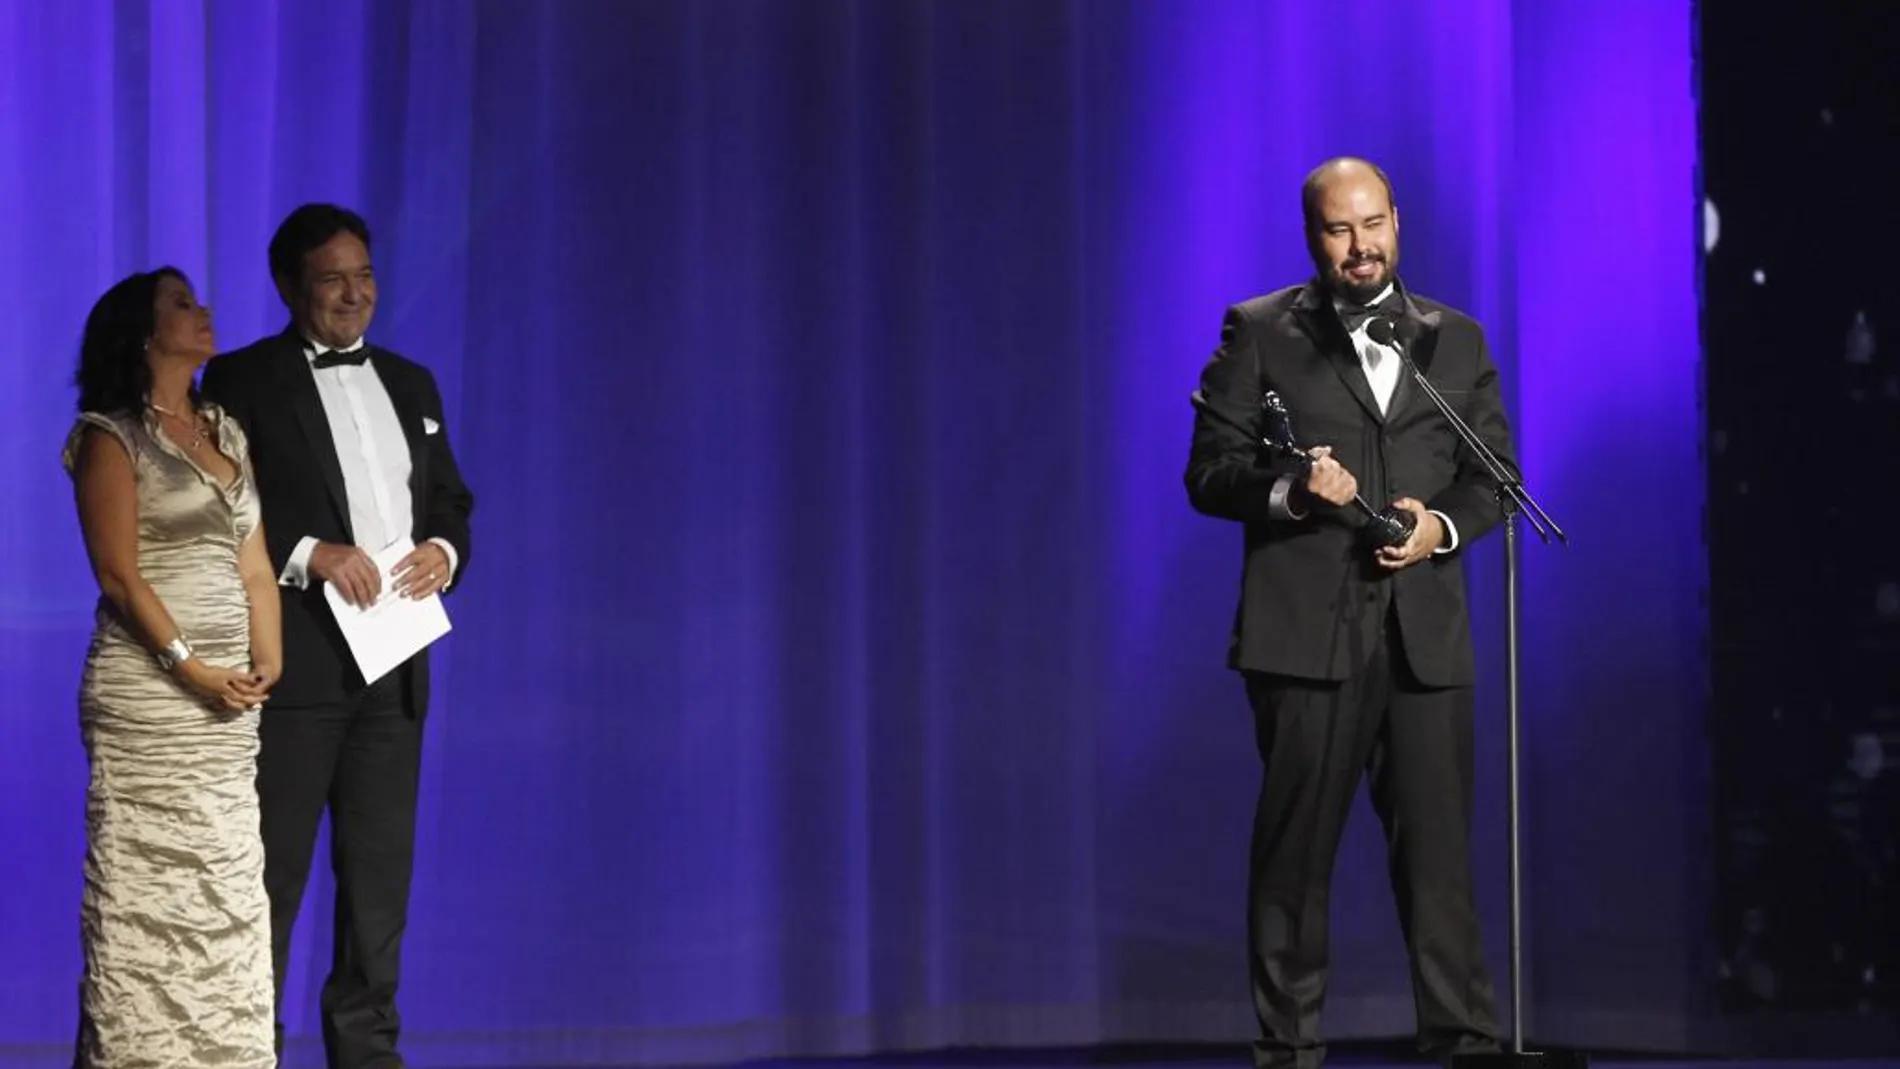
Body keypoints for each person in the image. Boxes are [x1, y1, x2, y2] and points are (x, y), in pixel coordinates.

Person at [1184, 157, 1514, 1068]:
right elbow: (1208, 474)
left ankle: (1467, 1040)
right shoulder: (1259, 332)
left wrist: (1437, 525)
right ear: (1313, 237)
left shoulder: (1456, 341)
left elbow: (1495, 482)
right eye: (1340, 229)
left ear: (1398, 224)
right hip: (1306, 636)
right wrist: (1292, 486)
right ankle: (1288, 1050)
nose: (1360, 245)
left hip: (1423, 638)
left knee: (1440, 860)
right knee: (1295, 858)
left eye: (1373, 225)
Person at [201, 203, 474, 1069]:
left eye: (364, 276)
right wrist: (312, 553)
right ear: (290, 286)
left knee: (377, 895)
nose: (354, 294)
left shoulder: (413, 382)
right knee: (270, 887)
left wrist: (443, 549)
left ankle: (367, 1059)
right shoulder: (240, 381)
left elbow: (449, 500)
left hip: (395, 675)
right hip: (297, 675)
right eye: (332, 279)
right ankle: (251, 1053)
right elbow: (218, 513)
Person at [63, 267, 280, 1068]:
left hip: (229, 709)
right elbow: (119, 575)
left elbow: (254, 563)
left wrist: (268, 661)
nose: (204, 312)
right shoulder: (109, 437)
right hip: (151, 702)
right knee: (148, 902)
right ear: (145, 334)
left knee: (224, 897)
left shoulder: (223, 429)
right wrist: (190, 667)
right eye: (182, 304)